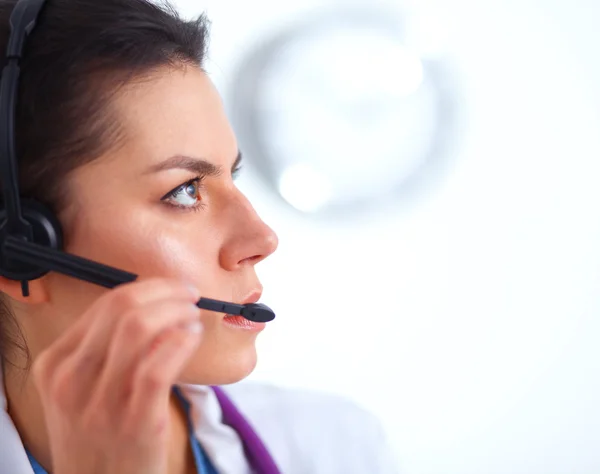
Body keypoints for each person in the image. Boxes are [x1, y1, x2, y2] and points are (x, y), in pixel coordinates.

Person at [0, 0, 399, 473]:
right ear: (21, 247)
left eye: (233, 175)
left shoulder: (336, 449)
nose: (262, 239)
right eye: (185, 191)